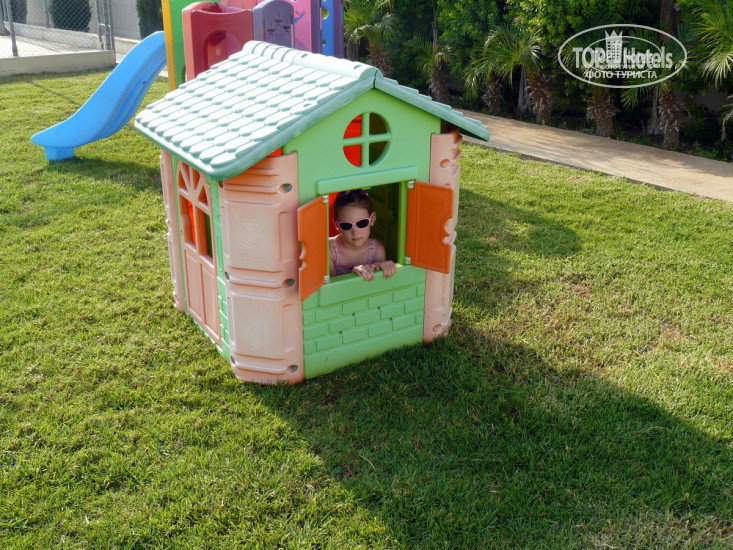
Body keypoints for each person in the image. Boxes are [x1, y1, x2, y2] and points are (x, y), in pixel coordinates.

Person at [329, 189, 396, 281]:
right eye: (346, 225)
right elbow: (332, 286)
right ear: (336, 225)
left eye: (362, 223)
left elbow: (377, 283)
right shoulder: (329, 250)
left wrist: (384, 268)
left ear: (372, 219)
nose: (355, 232)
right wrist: (352, 275)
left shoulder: (377, 250)